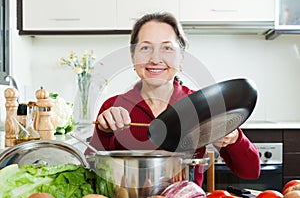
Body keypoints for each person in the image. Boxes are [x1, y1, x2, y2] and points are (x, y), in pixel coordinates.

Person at [87, 12, 260, 187]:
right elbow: (89, 170)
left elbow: (251, 171)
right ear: (133, 57)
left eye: (167, 48)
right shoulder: (113, 107)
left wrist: (234, 138)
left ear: (182, 58)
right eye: (145, 48)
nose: (155, 59)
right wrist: (104, 132)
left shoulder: (202, 105)